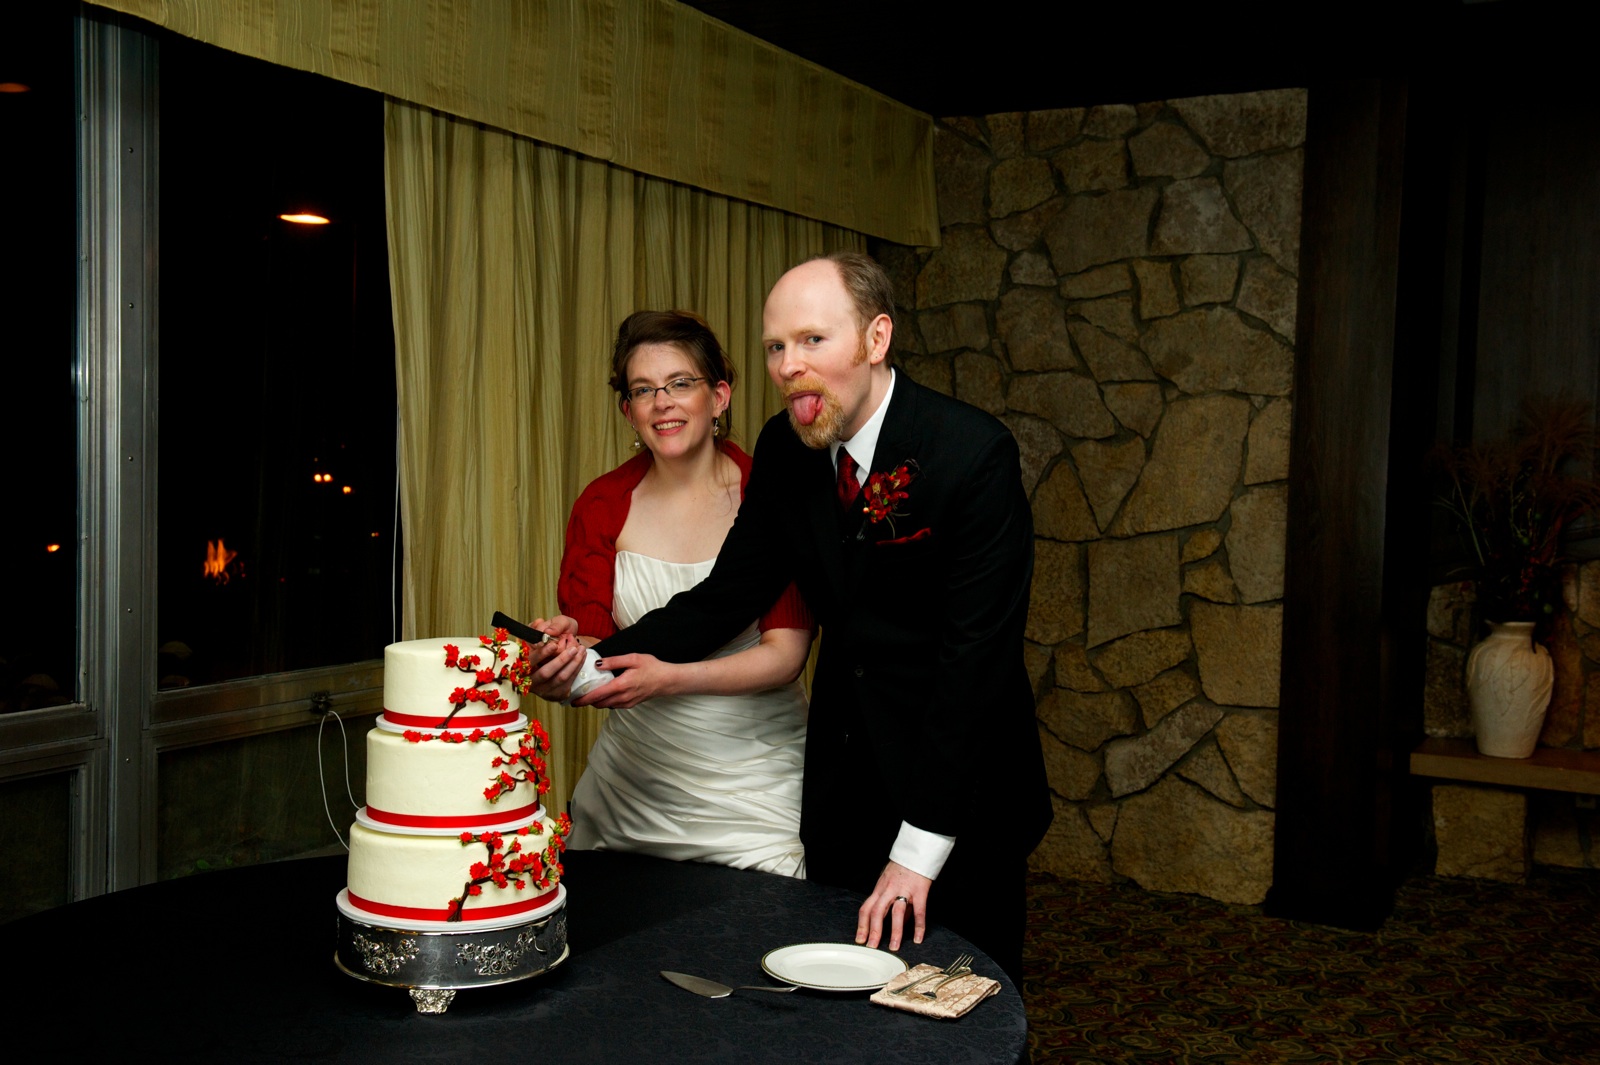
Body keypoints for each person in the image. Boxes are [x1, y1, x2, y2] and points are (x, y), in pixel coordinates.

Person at [531, 253, 1050, 983]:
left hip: (960, 792)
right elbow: (725, 595)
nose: (789, 365)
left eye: (813, 341)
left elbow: (975, 666)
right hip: (845, 779)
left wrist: (918, 849)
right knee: (832, 1002)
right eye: (776, 346)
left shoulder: (973, 454)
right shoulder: (787, 447)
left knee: (961, 1000)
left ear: (876, 339)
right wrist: (598, 658)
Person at [552, 309, 813, 877]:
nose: (661, 402)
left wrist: (670, 679)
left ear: (719, 396)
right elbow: (594, 644)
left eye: (680, 383)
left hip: (755, 786)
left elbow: (785, 657)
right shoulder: (600, 505)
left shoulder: (769, 497)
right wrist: (559, 663)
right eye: (643, 390)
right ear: (629, 411)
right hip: (633, 787)